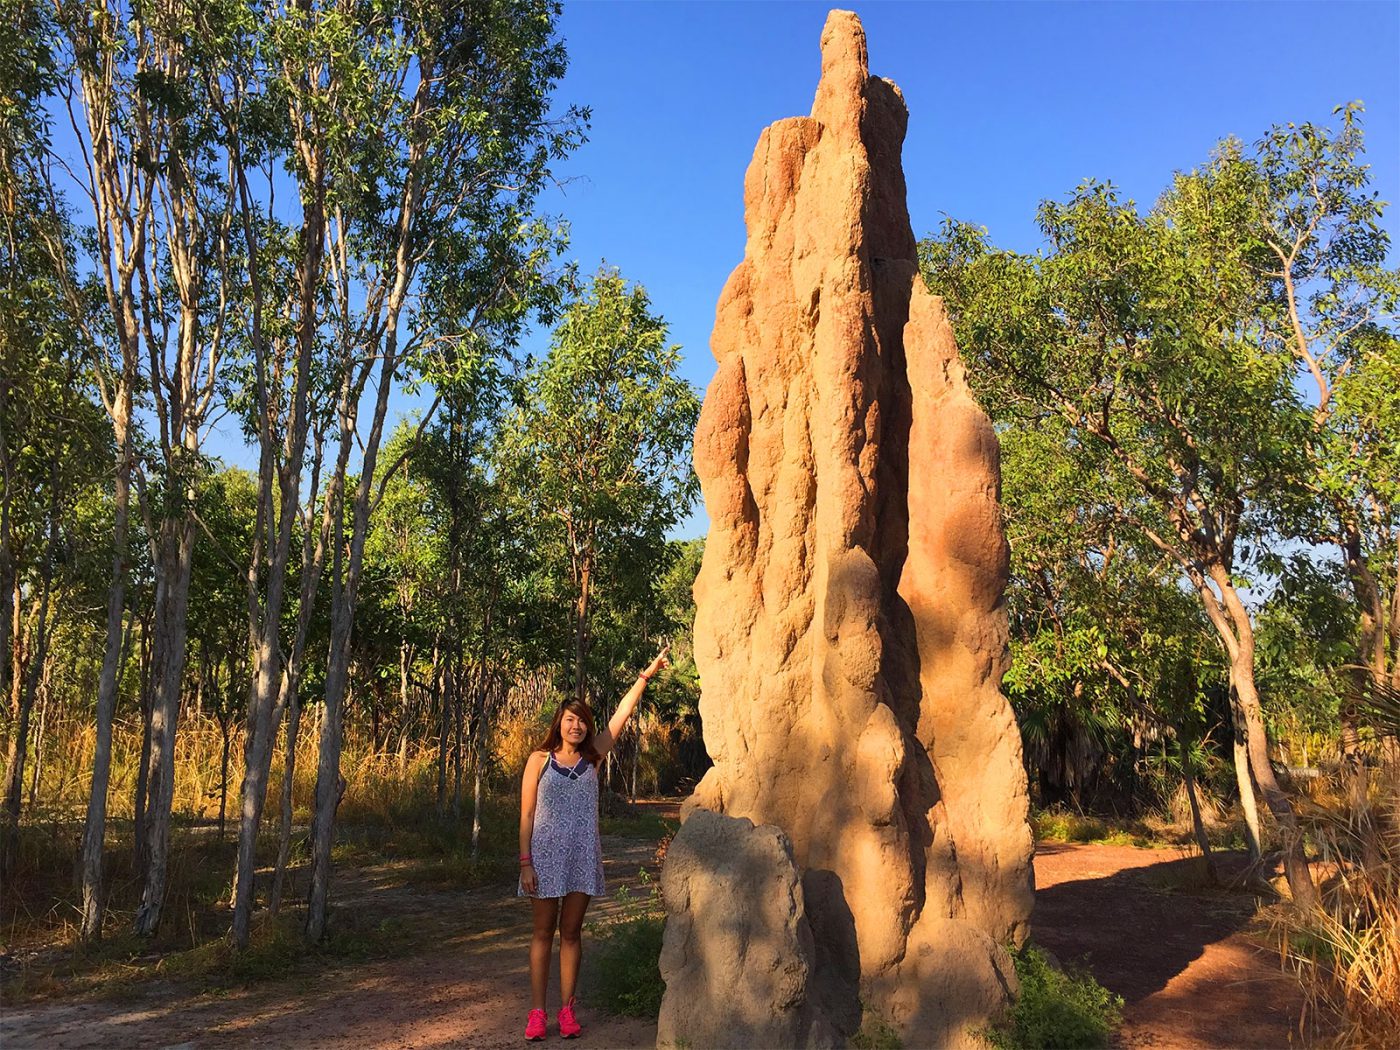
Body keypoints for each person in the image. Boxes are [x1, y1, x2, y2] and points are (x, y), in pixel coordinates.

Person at [518, 644, 670, 1041]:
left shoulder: (593, 758)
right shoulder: (539, 760)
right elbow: (527, 815)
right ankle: (537, 1013)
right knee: (541, 933)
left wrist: (645, 677)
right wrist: (525, 862)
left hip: (582, 857)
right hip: (544, 858)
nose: (577, 727)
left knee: (571, 933)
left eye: (583, 721)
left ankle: (567, 1012)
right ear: (559, 722)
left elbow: (622, 714)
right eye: (571, 720)